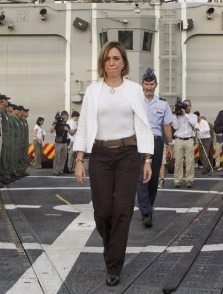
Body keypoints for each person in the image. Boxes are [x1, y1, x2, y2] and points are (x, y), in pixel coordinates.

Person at [73, 41, 153, 287]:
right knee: (102, 211)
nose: (112, 63)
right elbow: (85, 124)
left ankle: (113, 265)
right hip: (99, 154)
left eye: (116, 58)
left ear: (123, 62)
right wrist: (79, 159)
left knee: (122, 211)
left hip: (128, 154)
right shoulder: (93, 90)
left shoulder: (134, 89)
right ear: (102, 62)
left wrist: (147, 158)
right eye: (108, 58)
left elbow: (143, 123)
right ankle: (112, 249)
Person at [138, 68, 174, 228]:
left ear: (155, 85)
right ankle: (146, 212)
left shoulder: (163, 103)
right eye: (146, 84)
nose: (148, 87)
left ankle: (148, 208)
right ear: (142, 85)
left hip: (156, 142)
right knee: (141, 178)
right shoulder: (136, 101)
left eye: (151, 84)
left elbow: (166, 125)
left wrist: (170, 144)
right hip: (139, 142)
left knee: (153, 180)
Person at [171, 99, 198, 188]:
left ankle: (189, 180)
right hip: (178, 140)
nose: (186, 107)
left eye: (188, 105)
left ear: (190, 106)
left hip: (189, 140)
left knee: (190, 161)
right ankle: (177, 180)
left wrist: (185, 115)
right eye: (184, 105)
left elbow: (194, 123)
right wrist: (174, 115)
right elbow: (175, 126)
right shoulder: (178, 116)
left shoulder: (193, 116)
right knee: (178, 161)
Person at [51, 111, 70, 176]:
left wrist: (68, 130)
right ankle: (55, 171)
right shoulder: (57, 124)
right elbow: (51, 131)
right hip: (58, 143)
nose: (66, 119)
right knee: (57, 157)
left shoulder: (67, 125)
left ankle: (60, 170)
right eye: (65, 118)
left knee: (64, 157)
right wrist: (54, 123)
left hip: (65, 143)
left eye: (67, 118)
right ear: (62, 117)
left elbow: (72, 133)